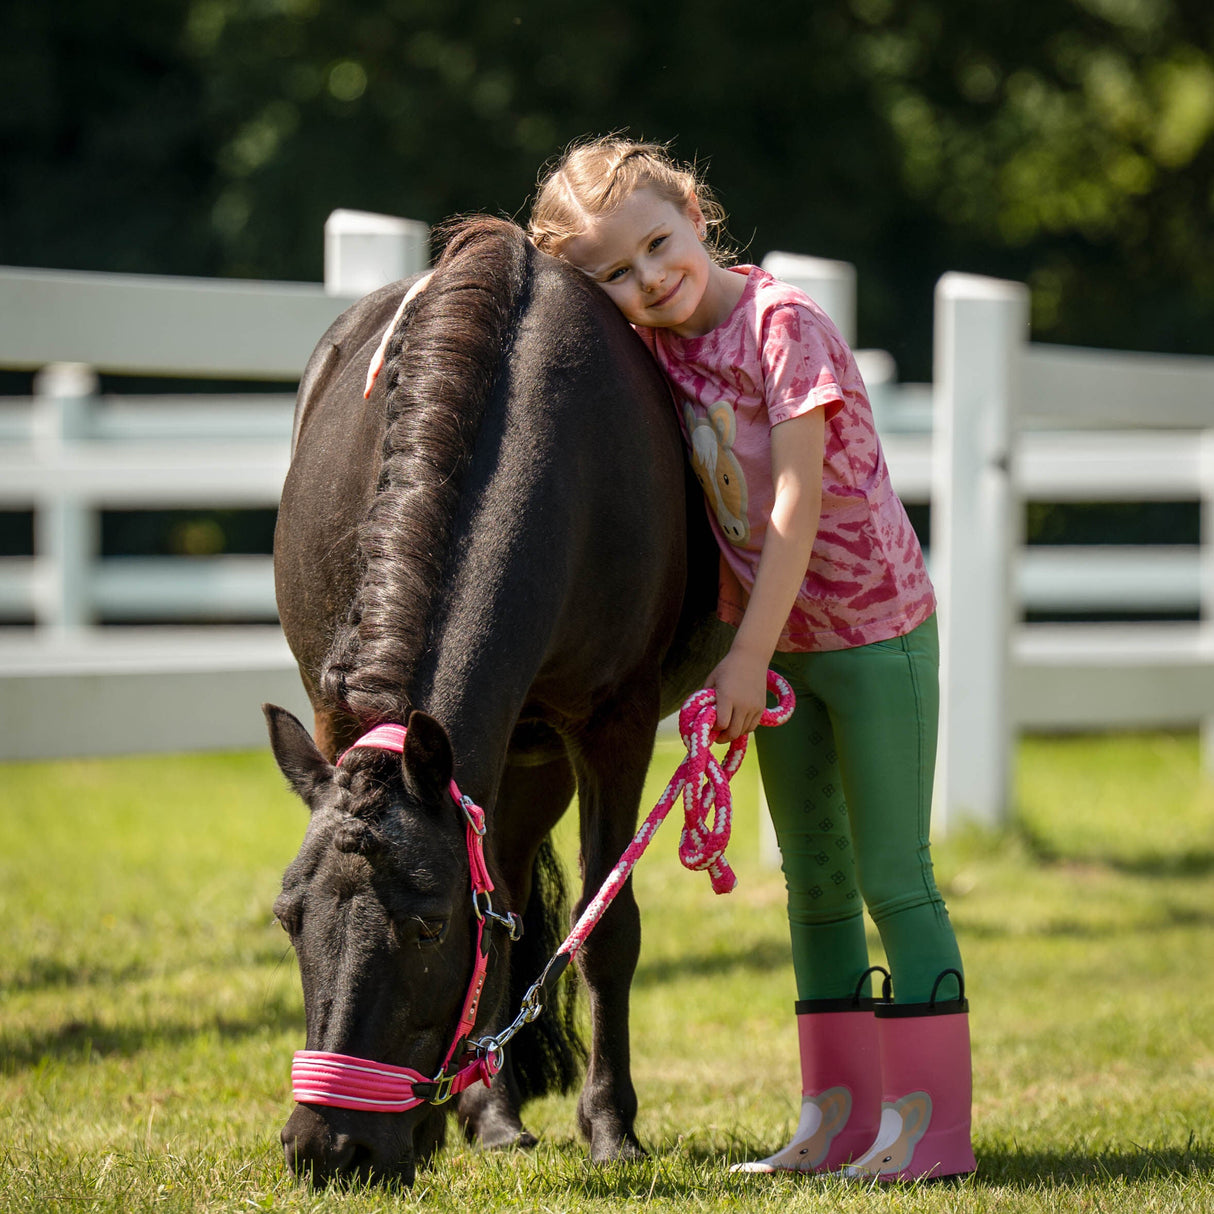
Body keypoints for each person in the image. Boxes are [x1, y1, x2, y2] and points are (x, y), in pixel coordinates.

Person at [527, 136, 975, 1181]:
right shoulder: (662, 345)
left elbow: (794, 501)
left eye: (657, 244)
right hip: (784, 655)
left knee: (892, 880)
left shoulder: (783, 328)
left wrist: (739, 658)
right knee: (813, 887)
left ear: (692, 211)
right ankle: (832, 1117)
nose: (648, 278)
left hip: (871, 637)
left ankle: (929, 1127)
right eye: (616, 274)